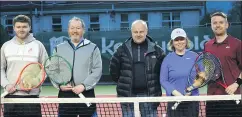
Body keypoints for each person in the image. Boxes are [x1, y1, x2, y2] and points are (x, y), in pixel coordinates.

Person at [109, 20, 166, 117]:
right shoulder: (121, 50)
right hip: (127, 96)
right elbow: (113, 71)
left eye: (141, 31)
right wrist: (124, 83)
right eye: (135, 32)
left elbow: (163, 71)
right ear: (131, 32)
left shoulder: (157, 50)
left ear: (146, 31)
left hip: (149, 96)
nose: (138, 34)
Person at [51, 17, 102, 117]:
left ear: (83, 30)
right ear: (68, 30)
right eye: (72, 28)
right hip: (65, 94)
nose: (75, 31)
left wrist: (83, 85)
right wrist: (60, 85)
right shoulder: (59, 48)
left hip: (86, 93)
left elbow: (97, 70)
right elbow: (53, 70)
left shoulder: (93, 47)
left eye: (78, 28)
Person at [1, 15, 48, 117]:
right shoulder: (6, 46)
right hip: (10, 98)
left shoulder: (38, 45)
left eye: (24, 26)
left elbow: (46, 68)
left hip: (31, 97)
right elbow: (0, 69)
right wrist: (6, 85)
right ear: (14, 28)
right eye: (18, 27)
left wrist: (33, 83)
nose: (21, 29)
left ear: (29, 27)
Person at [204, 12, 242, 117]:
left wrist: (236, 84)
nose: (217, 25)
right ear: (211, 26)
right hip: (212, 97)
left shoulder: (237, 44)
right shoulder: (207, 45)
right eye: (214, 23)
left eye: (221, 22)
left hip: (232, 97)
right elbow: (208, 68)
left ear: (227, 25)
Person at [160, 28, 199, 117]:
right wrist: (177, 94)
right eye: (176, 40)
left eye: (181, 39)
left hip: (192, 100)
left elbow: (202, 76)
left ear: (186, 40)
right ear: (172, 42)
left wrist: (191, 89)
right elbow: (163, 80)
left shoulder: (195, 56)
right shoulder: (167, 59)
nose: (179, 42)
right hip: (174, 100)